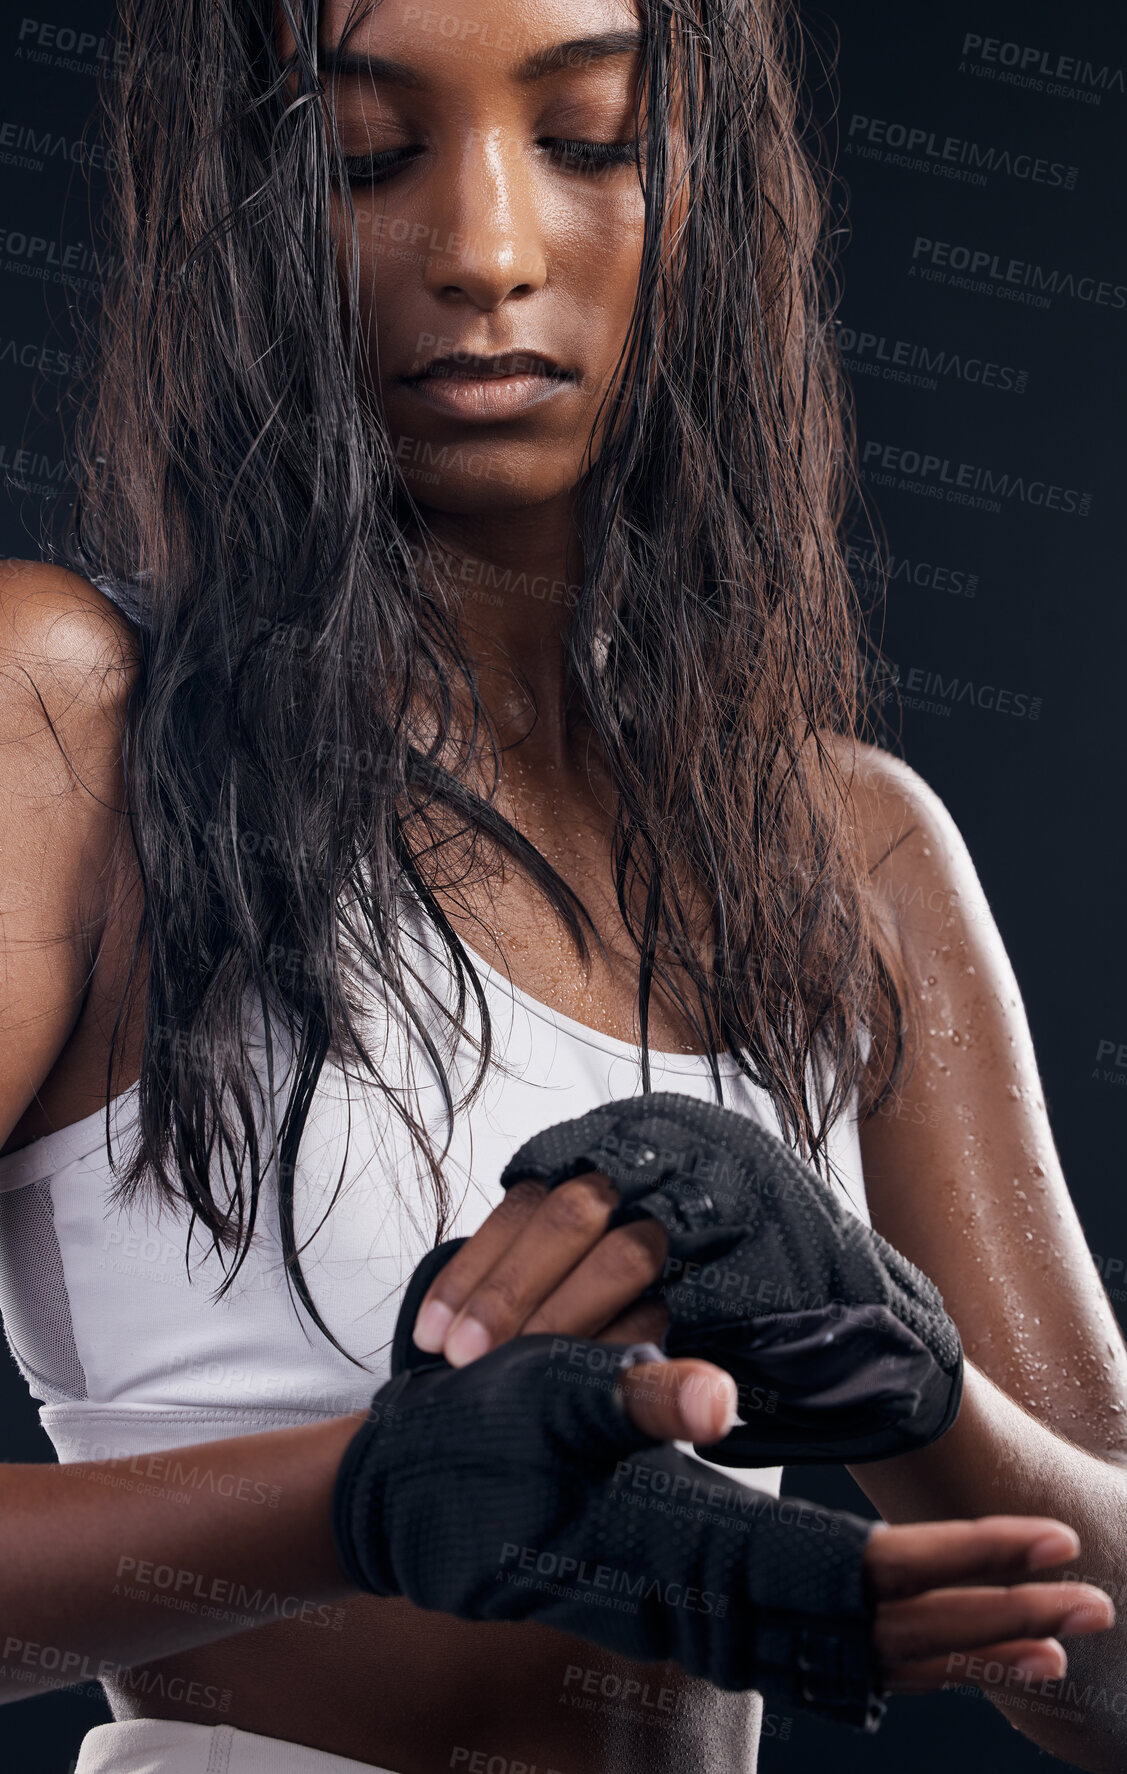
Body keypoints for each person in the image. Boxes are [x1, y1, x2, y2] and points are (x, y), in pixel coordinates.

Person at [0, 0, 1124, 1770]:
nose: (485, 251)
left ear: (714, 192)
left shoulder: (850, 848)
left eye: (591, 139)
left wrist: (899, 1361)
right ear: (243, 206)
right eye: (366, 155)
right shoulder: (71, 719)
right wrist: (360, 1498)